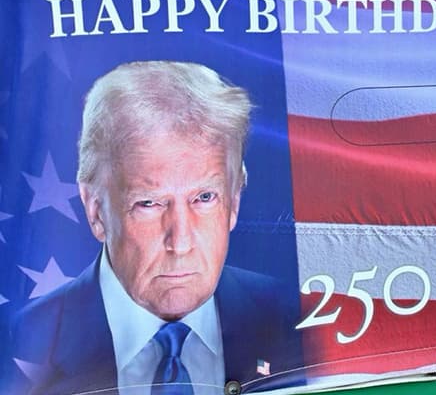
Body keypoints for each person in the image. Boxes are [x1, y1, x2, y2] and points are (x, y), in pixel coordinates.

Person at [11, 61, 302, 394]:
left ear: (234, 202)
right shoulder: (19, 341)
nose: (180, 243)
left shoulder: (299, 321)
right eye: (149, 203)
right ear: (96, 211)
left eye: (204, 197)